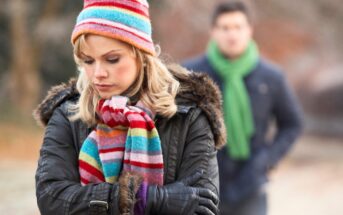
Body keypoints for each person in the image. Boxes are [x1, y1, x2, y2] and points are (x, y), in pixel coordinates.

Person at [34, 0, 226, 214]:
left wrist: (105, 200)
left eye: (112, 59)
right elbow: (52, 198)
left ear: (142, 55)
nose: (98, 73)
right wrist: (136, 198)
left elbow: (203, 205)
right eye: (88, 61)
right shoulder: (67, 114)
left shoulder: (189, 115)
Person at [183, 2, 303, 215]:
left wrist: (268, 159)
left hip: (251, 185)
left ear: (249, 30)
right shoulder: (192, 74)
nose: (232, 34)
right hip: (203, 185)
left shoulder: (271, 76)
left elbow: (293, 123)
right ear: (213, 31)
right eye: (225, 28)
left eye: (238, 27)